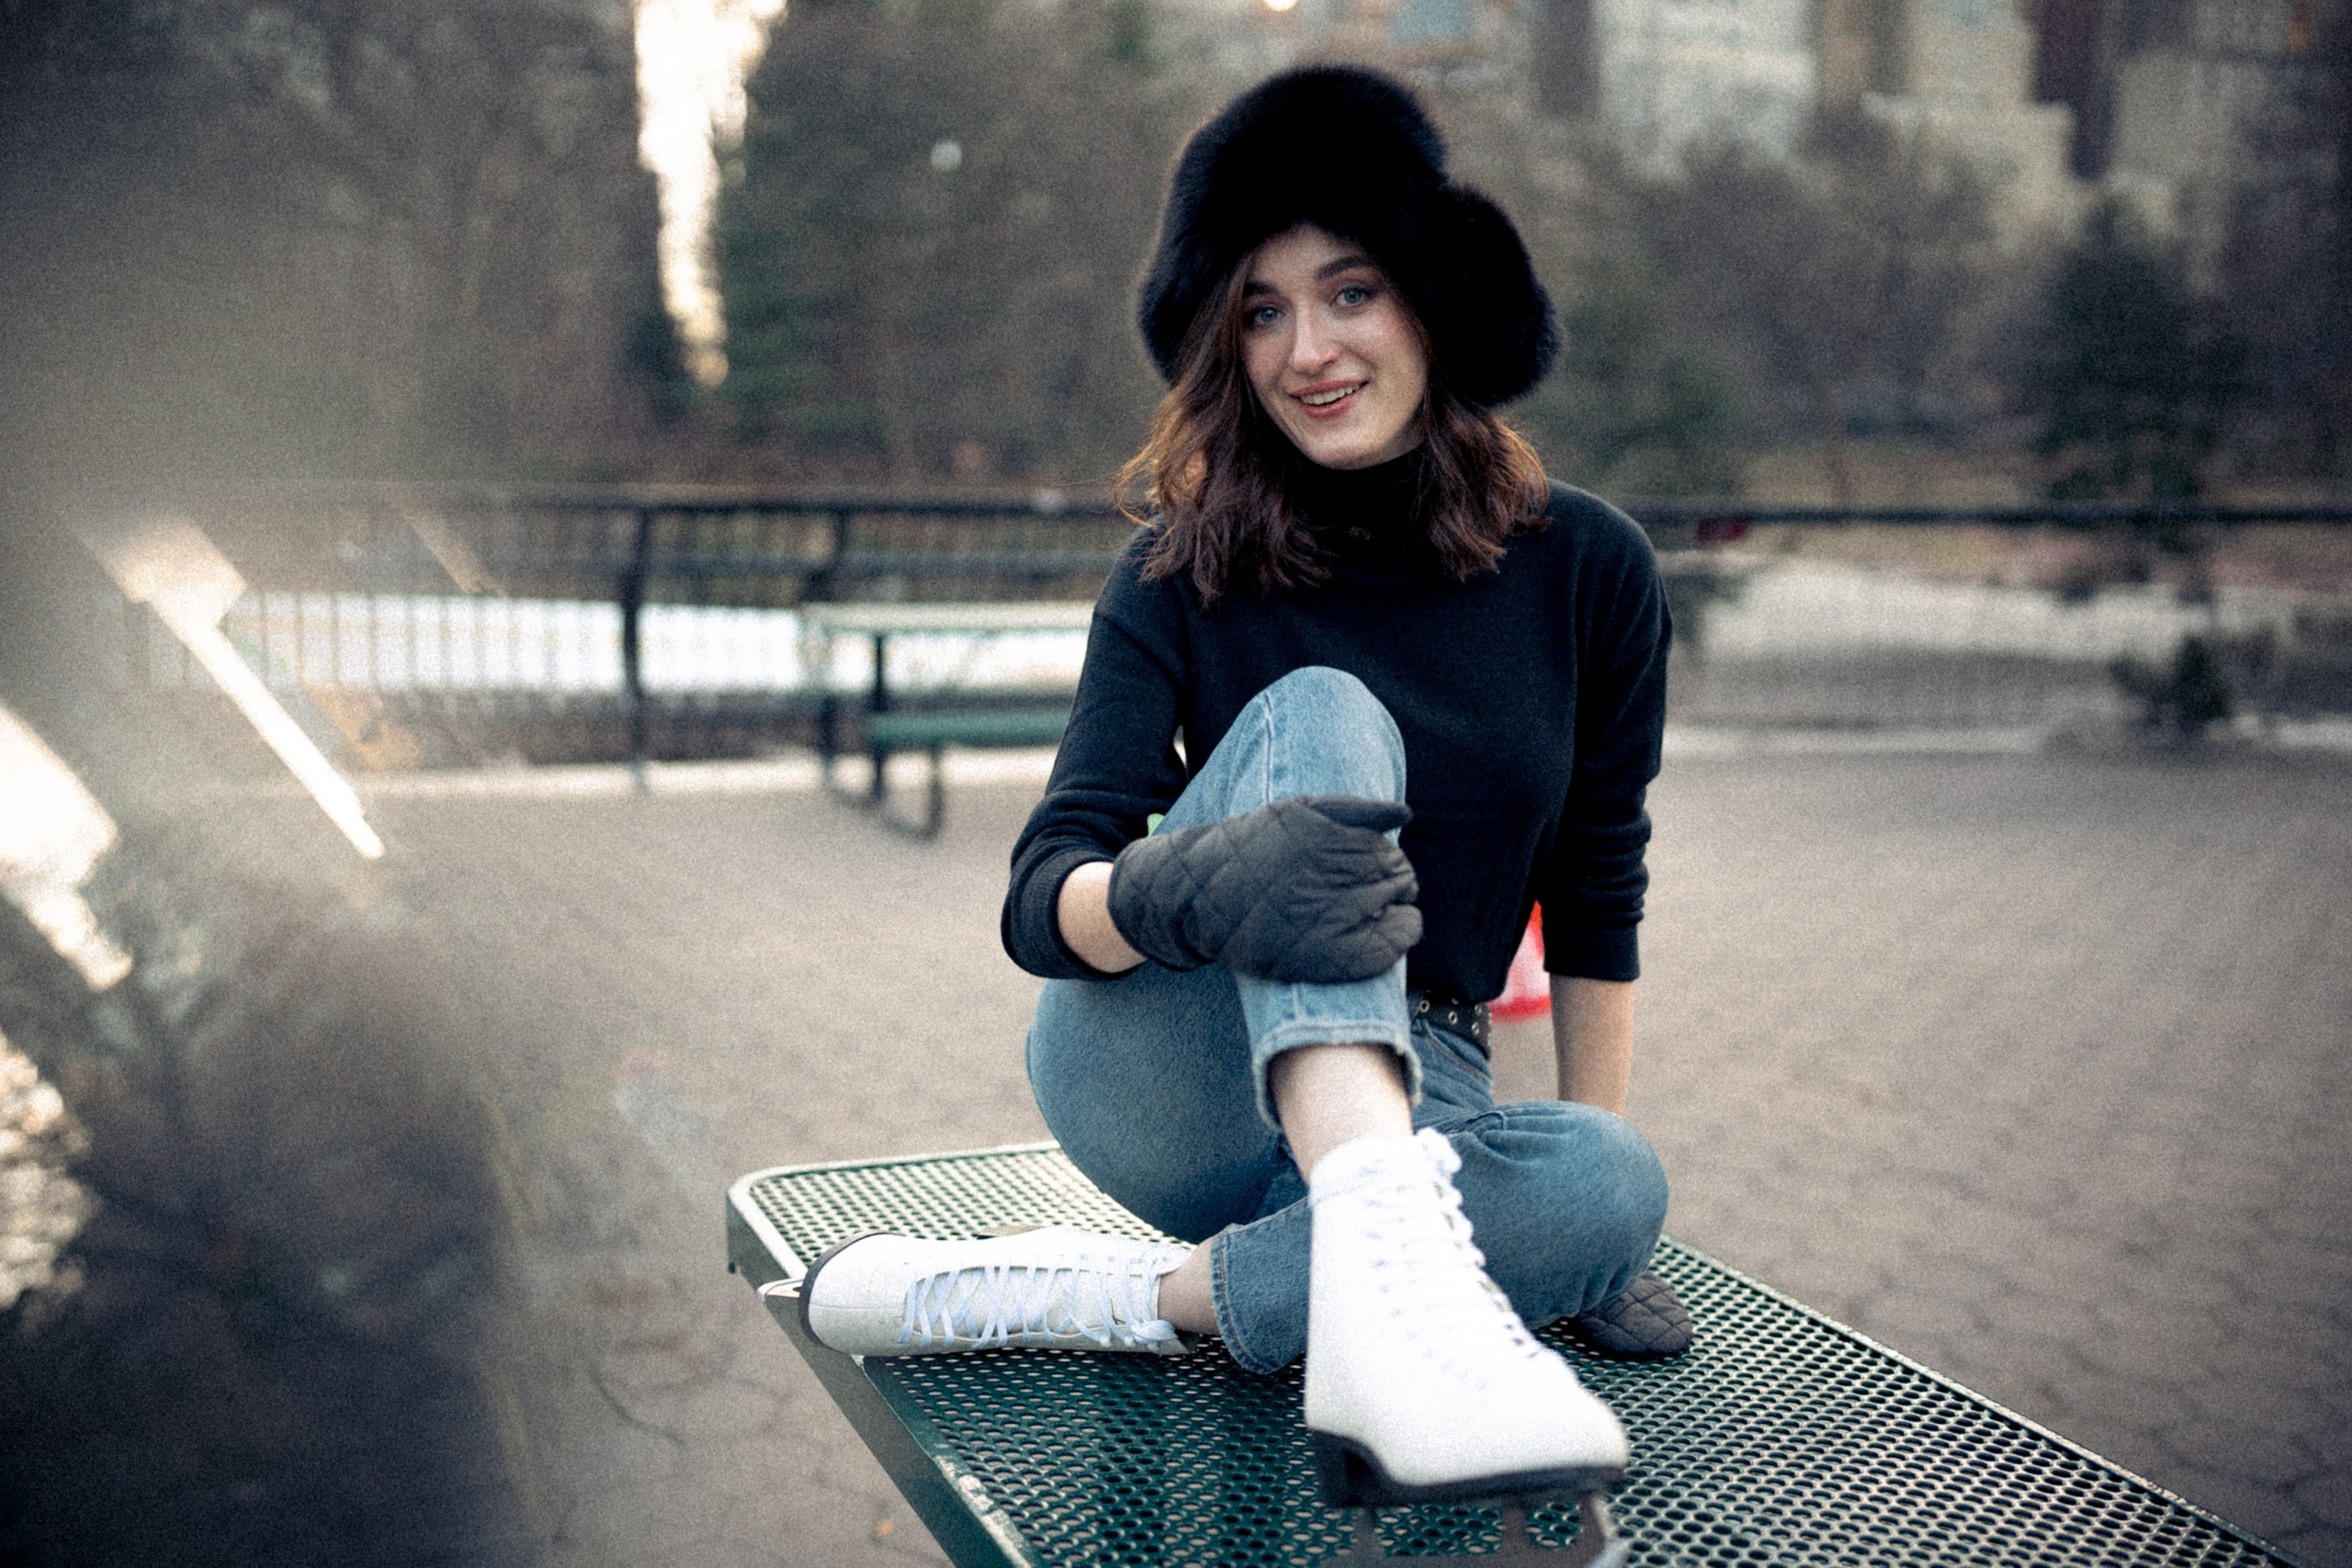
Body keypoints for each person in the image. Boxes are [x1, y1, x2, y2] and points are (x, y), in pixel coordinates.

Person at [797, 64, 1685, 1506]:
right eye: (1259, 308)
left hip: (1428, 1067)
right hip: (1176, 1059)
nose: (1306, 347)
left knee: (1613, 1184)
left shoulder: (1589, 570)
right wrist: (1179, 886)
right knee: (1326, 715)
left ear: (1430, 301)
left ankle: (1135, 1298)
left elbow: (1598, 890)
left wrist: (1601, 1246)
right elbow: (1041, 900)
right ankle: (1391, 1291)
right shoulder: (1176, 573)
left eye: (1349, 292)